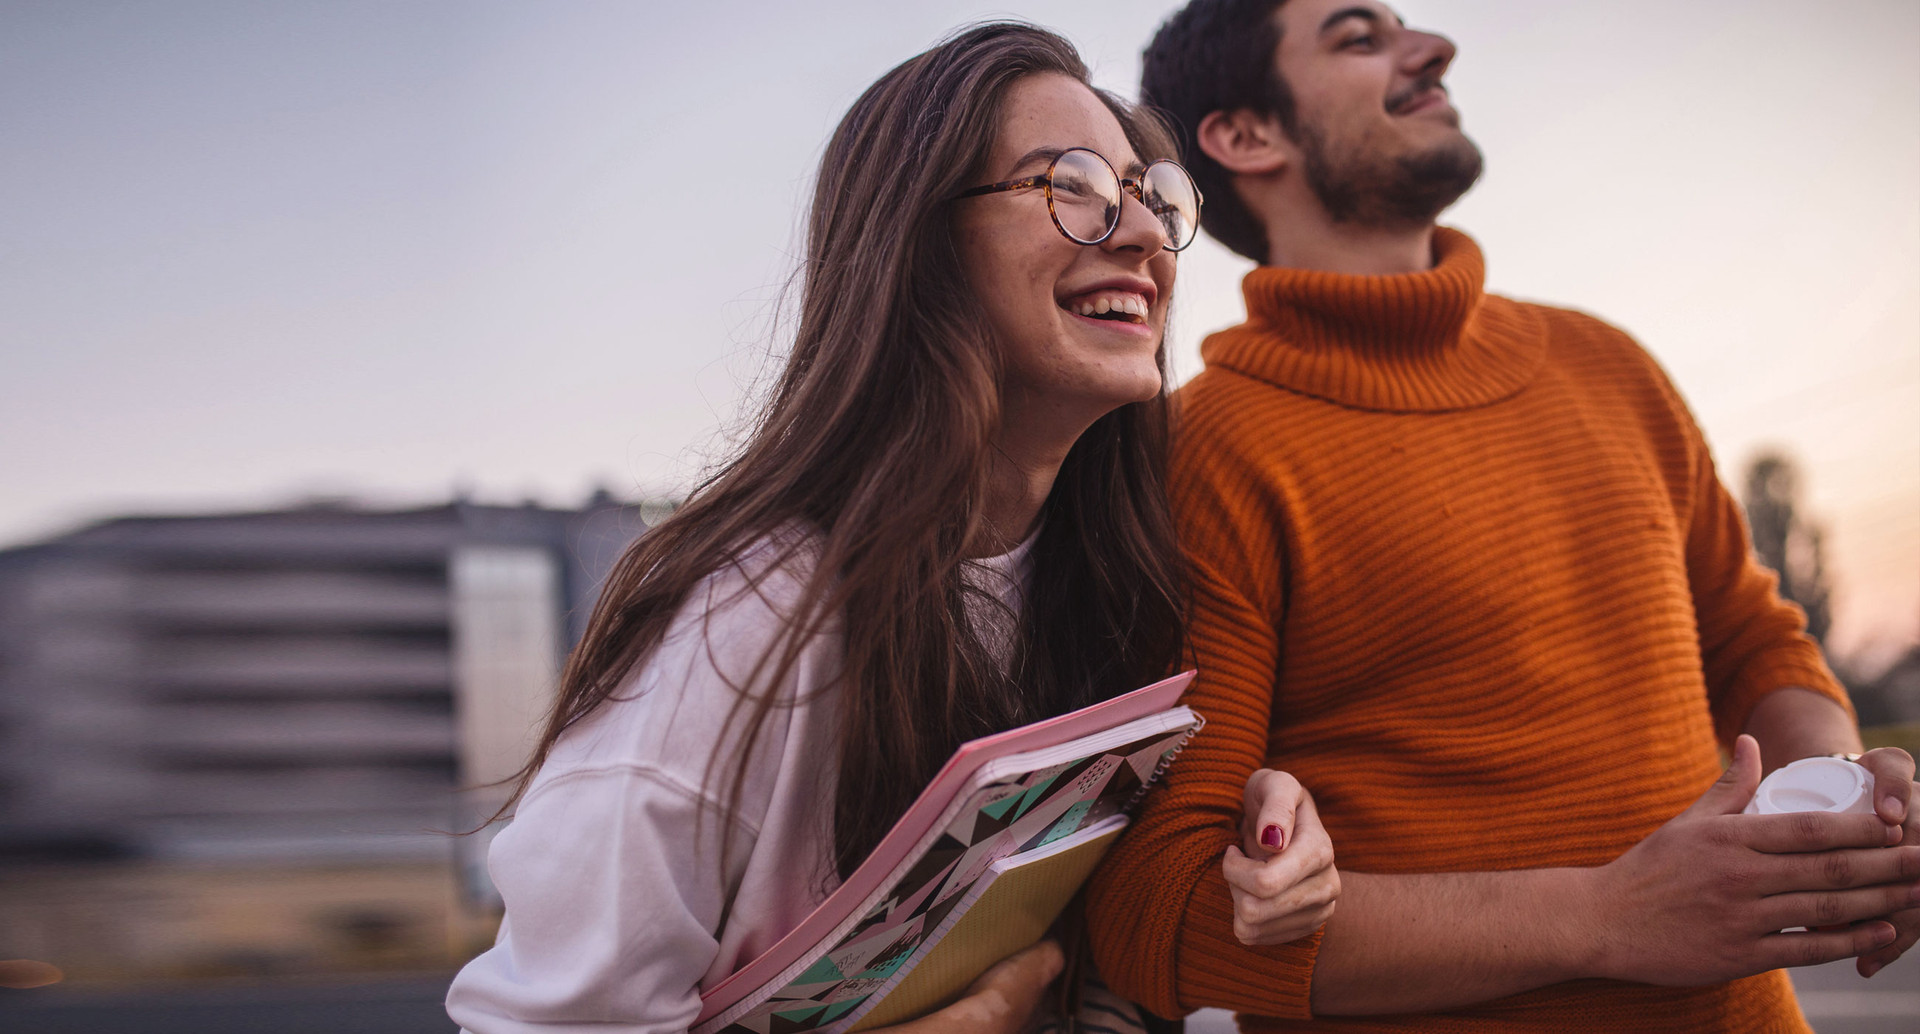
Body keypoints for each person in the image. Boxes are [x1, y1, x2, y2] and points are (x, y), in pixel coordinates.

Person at [444, 22, 1334, 1034]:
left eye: (1150, 194)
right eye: (1070, 184)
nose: (1138, 234)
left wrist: (1244, 815)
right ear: (919, 247)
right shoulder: (745, 626)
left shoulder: (1125, 571)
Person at [1084, 1, 1920, 1031]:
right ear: (1247, 134)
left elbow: (1756, 642)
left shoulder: (1608, 363)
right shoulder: (1199, 453)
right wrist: (1608, 915)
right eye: (1359, 36)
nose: (1433, 46)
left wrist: (1845, 799)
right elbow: (1152, 910)